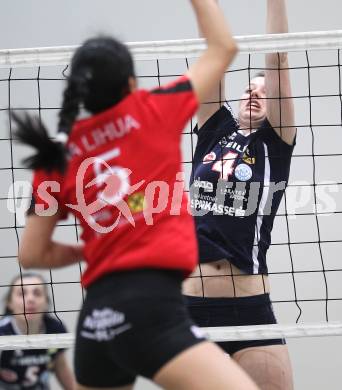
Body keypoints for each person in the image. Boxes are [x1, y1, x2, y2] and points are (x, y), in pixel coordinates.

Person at [12, 1, 260, 389]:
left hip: (94, 323)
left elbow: (31, 255)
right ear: (130, 84)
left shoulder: (55, 158)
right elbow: (223, 48)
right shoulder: (153, 110)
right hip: (149, 311)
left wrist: (92, 250)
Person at [183, 0, 296, 389]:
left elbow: (278, 62)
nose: (253, 94)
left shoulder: (275, 144)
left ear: (273, 107)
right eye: (249, 87)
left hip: (248, 307)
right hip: (192, 307)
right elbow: (212, 51)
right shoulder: (215, 130)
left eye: (263, 92)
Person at [0, 273, 75, 389]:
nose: (30, 299)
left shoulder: (55, 329)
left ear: (46, 302)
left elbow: (61, 368)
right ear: (9, 303)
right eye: (22, 294)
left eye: (37, 293)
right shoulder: (2, 332)